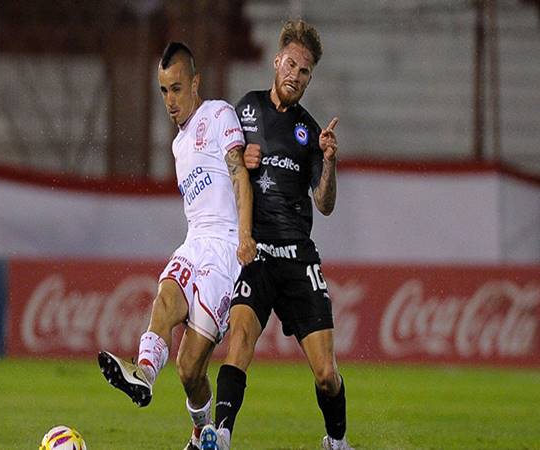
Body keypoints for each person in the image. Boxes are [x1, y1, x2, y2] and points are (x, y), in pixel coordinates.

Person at [199, 20, 353, 450]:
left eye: (305, 71)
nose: (296, 76)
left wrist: (329, 160)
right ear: (276, 61)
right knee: (240, 340)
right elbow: (216, 168)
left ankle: (336, 441)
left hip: (299, 258)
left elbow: (324, 204)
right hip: (258, 253)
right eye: (291, 65)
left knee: (326, 373)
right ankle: (223, 434)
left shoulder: (310, 132)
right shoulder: (244, 110)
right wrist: (237, 159)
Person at [98, 42, 256, 450]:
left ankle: (201, 435)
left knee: (190, 369)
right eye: (164, 90)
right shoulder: (177, 145)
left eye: (177, 88)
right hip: (193, 243)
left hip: (223, 252)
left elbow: (239, 173)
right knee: (166, 297)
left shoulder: (219, 113)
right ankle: (144, 374)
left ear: (195, 83)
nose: (170, 100)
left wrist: (245, 234)